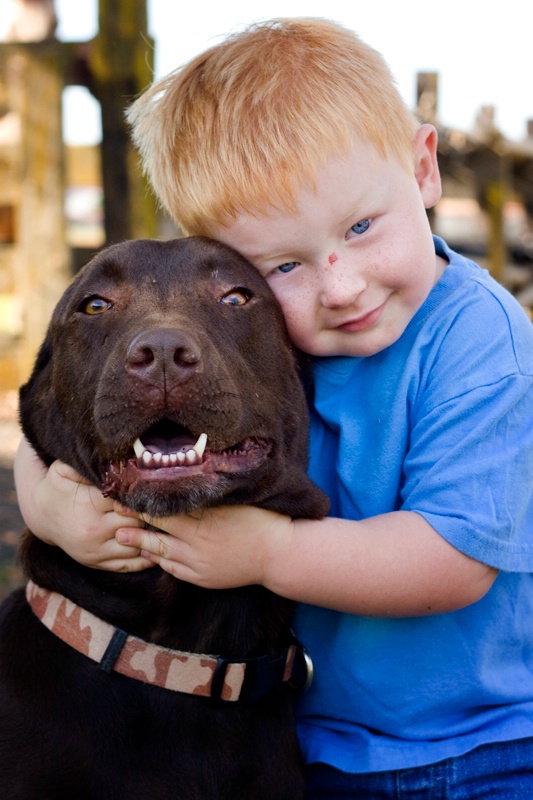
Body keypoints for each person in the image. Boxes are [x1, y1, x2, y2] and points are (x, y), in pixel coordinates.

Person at [15, 17, 533, 799]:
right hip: (320, 734)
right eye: (281, 265)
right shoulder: (279, 336)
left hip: (477, 743)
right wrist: (50, 510)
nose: (341, 286)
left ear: (422, 168)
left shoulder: (474, 337)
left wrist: (266, 556)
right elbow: (45, 416)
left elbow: (454, 560)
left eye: (361, 227)